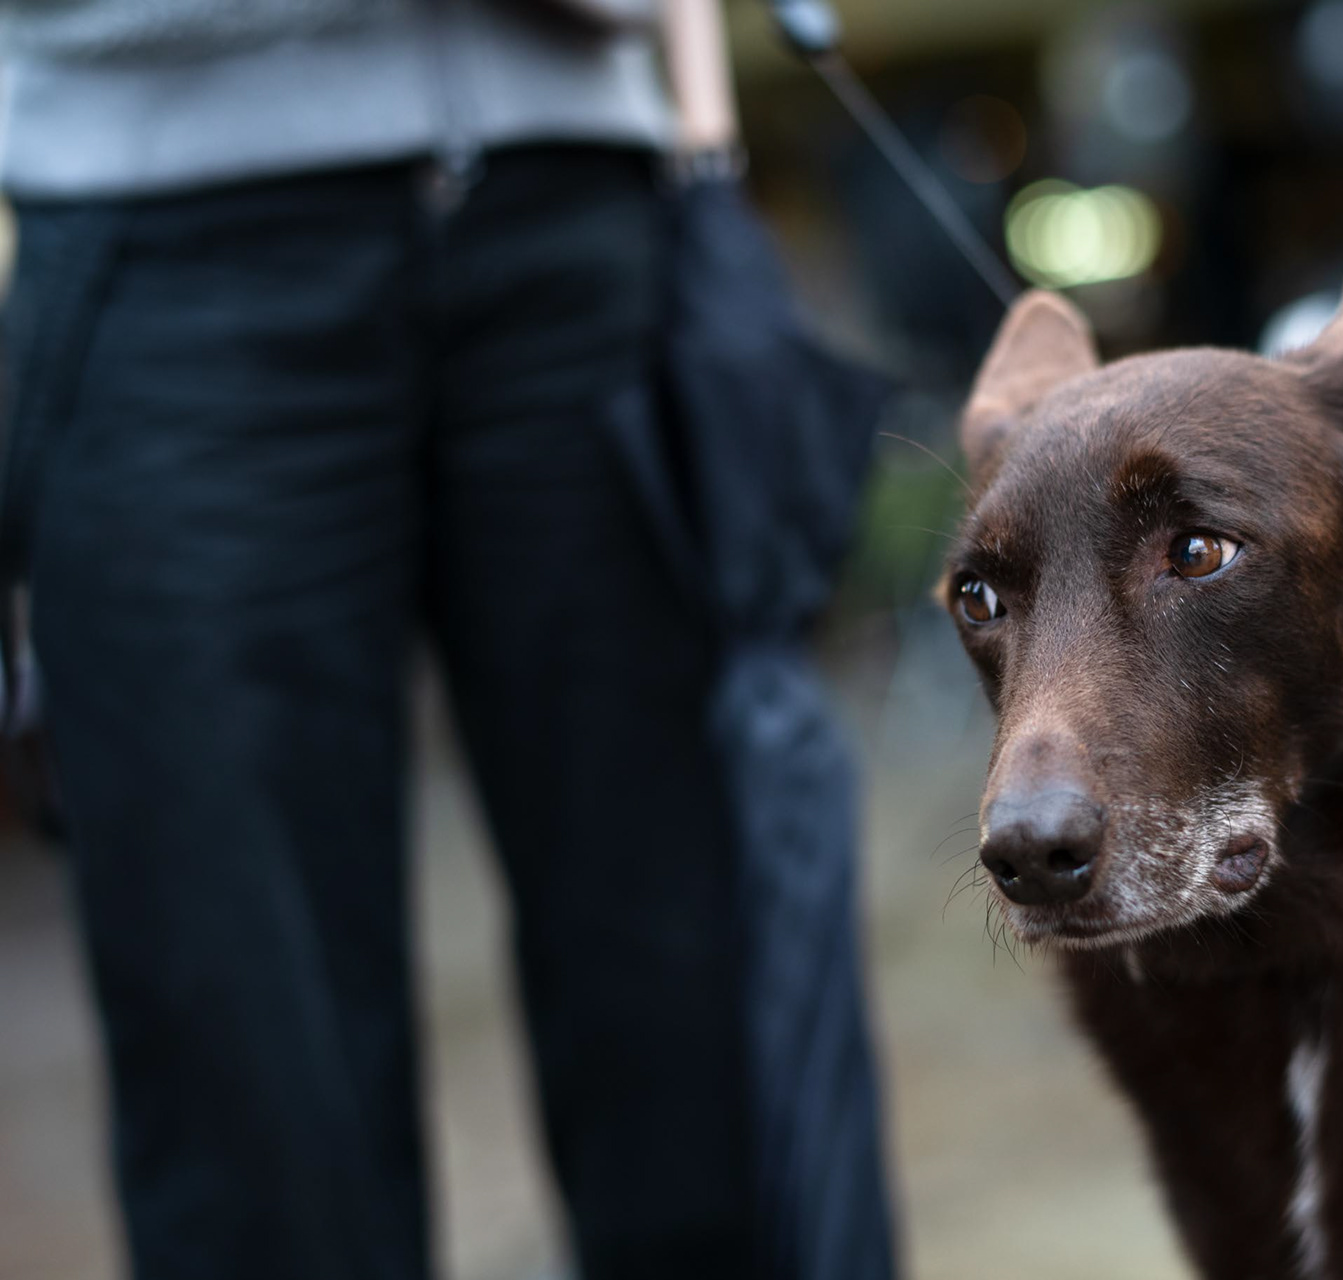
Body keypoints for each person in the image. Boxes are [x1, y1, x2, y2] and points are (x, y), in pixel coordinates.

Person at [0, 2, 894, 1277]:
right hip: (168, 222)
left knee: (697, 995)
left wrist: (703, 148)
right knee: (248, 1063)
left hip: (585, 198)